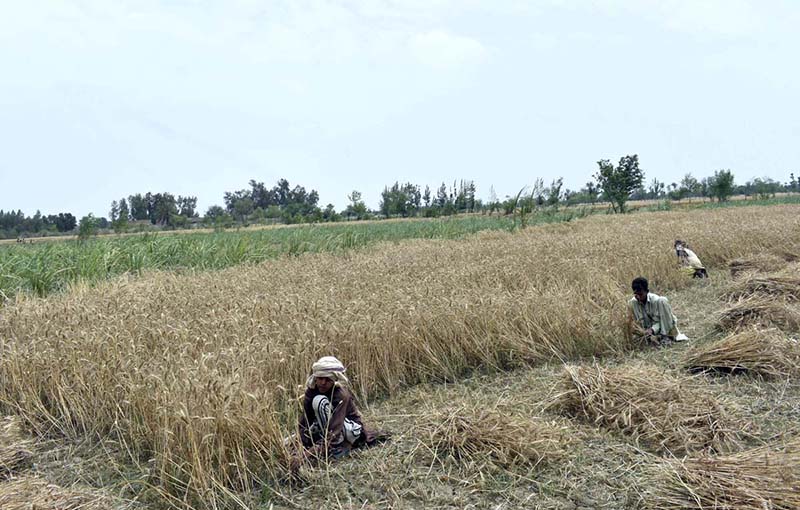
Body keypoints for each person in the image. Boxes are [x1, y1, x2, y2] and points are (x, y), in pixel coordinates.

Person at [295, 356, 388, 463]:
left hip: (349, 430)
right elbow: (305, 421)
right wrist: (300, 444)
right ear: (315, 378)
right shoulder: (311, 391)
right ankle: (326, 444)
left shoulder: (340, 395)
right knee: (290, 440)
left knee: (319, 401)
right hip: (329, 427)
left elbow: (335, 429)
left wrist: (307, 455)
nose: (323, 383)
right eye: (320, 378)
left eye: (328, 379)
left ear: (334, 379)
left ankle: (339, 446)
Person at [628, 277, 687, 346]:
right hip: (647, 332)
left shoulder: (657, 301)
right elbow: (635, 322)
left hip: (662, 328)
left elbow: (662, 321)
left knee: (663, 300)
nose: (638, 297)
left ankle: (665, 336)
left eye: (640, 294)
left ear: (647, 291)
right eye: (636, 294)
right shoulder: (632, 303)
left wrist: (652, 329)